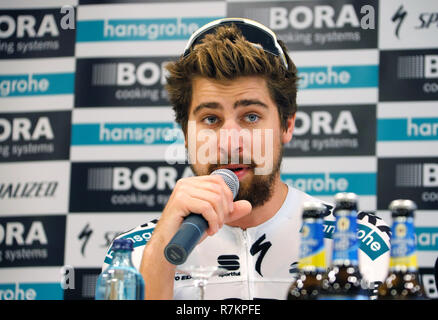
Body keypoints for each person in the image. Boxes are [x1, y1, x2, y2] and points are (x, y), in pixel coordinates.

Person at [102, 18, 390, 300]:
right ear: (186, 134)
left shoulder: (361, 243)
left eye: (251, 116)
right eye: (211, 119)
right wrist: (159, 258)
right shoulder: (134, 254)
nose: (229, 143)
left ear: (286, 125)